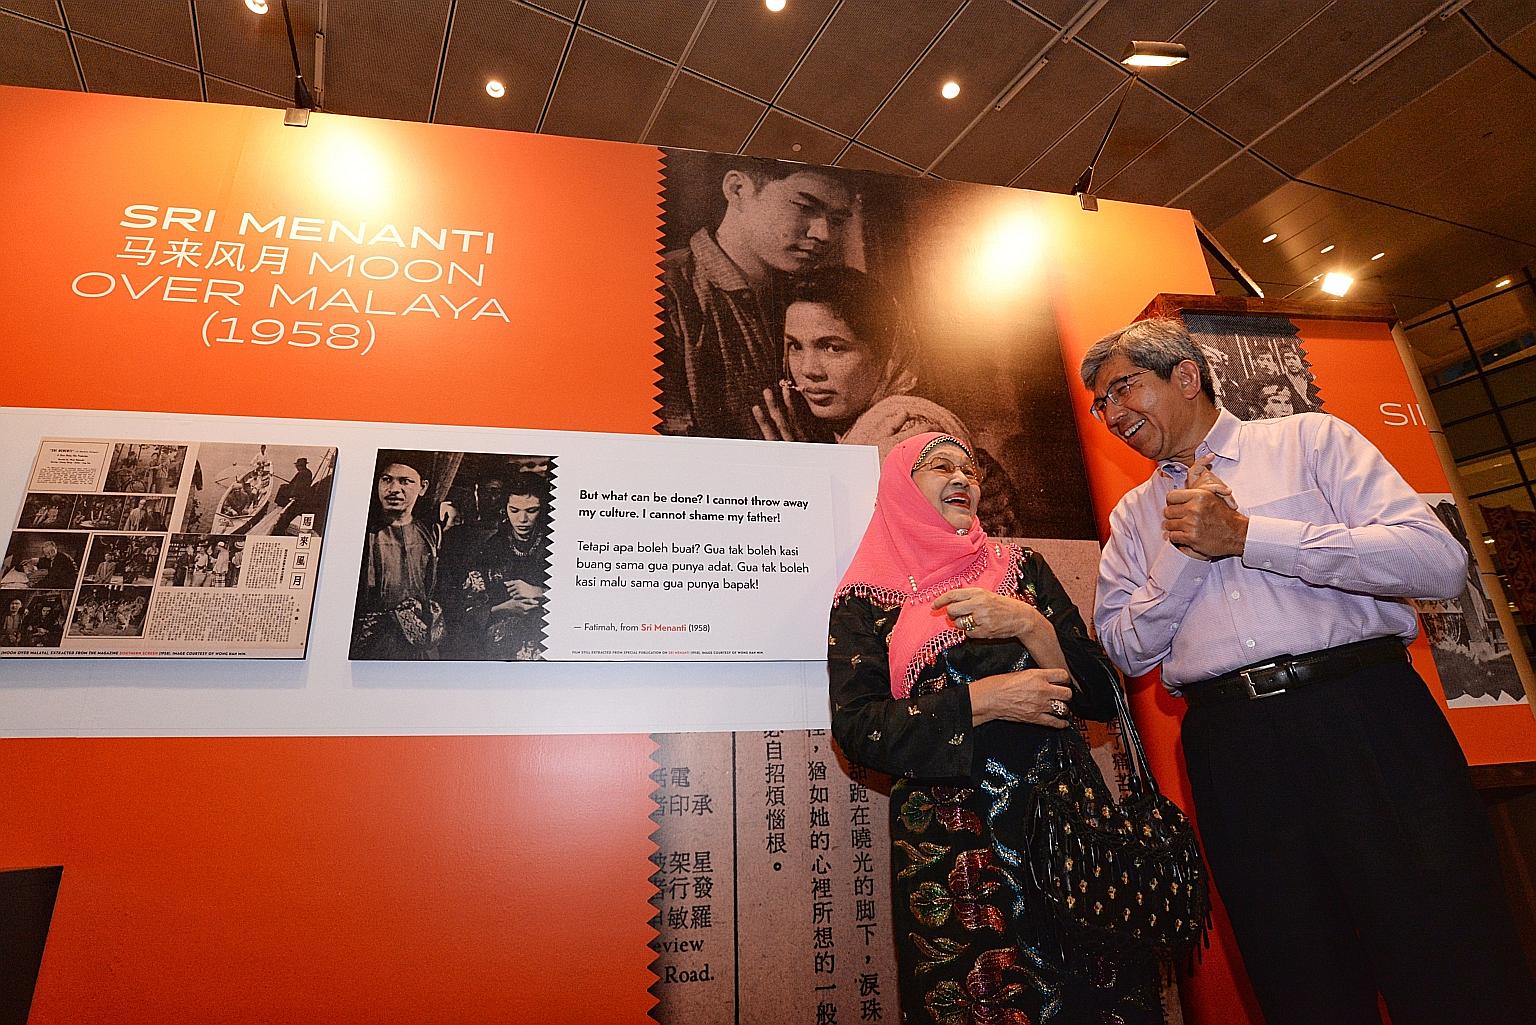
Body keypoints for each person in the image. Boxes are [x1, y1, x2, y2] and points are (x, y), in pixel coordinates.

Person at [1079, 318, 1536, 1025]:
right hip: (1233, 748)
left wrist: (1251, 537)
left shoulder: (1311, 440)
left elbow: (1437, 563)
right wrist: (1186, 552)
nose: (1111, 415)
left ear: (1188, 376)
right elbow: (1125, 648)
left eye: (1121, 389)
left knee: (1448, 946)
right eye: (1099, 405)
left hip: (1366, 716)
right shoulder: (1134, 519)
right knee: (1297, 970)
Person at [829, 432, 1158, 1024]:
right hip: (956, 846)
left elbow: (1103, 694)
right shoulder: (865, 599)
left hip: (1064, 826)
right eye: (940, 468)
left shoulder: (1023, 569)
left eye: (969, 469)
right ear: (901, 490)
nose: (962, 478)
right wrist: (980, 700)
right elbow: (858, 726)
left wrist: (1030, 624)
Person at [755, 266, 1030, 536]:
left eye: (833, 347)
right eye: (795, 346)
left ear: (887, 355)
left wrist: (810, 486)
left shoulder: (908, 428)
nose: (808, 369)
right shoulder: (857, 430)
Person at [659, 160, 854, 439]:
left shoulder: (812, 295)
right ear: (737, 190)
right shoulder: (664, 291)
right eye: (805, 208)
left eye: (836, 220)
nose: (823, 234)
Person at [445, 472, 550, 660]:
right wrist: (503, 608)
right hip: (499, 646)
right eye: (514, 510)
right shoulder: (493, 547)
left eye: (531, 510)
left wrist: (539, 591)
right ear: (505, 508)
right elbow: (467, 607)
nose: (522, 519)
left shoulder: (554, 544)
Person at [351, 453, 442, 660]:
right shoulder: (366, 532)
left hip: (418, 637)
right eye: (386, 480)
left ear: (423, 487)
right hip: (373, 640)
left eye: (405, 482)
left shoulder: (430, 532)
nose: (393, 489)